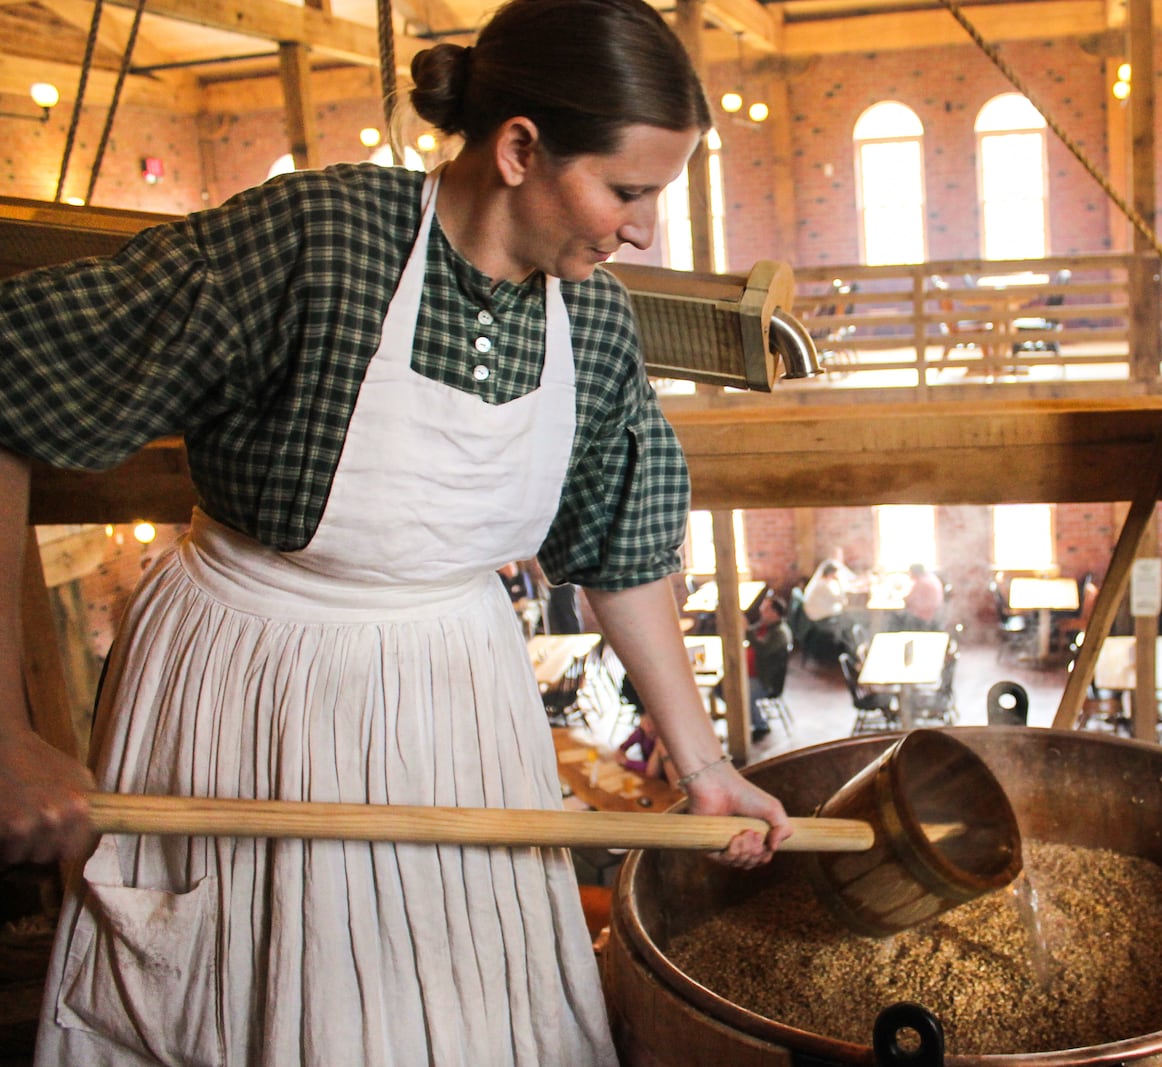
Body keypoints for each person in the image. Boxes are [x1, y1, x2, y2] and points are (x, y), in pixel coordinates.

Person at [0, 1, 791, 1063]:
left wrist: (703, 763)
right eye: (627, 189)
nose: (642, 228)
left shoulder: (593, 320)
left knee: (466, 1003)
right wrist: (0, 732)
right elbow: (9, 380)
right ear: (518, 148)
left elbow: (622, 546)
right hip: (256, 684)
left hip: (456, 700)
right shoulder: (315, 244)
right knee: (261, 1004)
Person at [745, 592, 792, 740]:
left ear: (774, 613)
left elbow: (762, 649)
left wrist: (746, 630)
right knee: (722, 688)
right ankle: (749, 716)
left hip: (767, 681)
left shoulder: (780, 634)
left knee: (741, 693)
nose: (761, 612)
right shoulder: (766, 625)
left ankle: (761, 725)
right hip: (756, 673)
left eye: (765, 610)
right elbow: (753, 634)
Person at [900, 562, 945, 629]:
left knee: (895, 617)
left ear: (914, 573)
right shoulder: (931, 578)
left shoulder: (921, 582)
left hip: (924, 615)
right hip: (934, 613)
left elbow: (909, 600)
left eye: (910, 573)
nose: (910, 576)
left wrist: (903, 598)